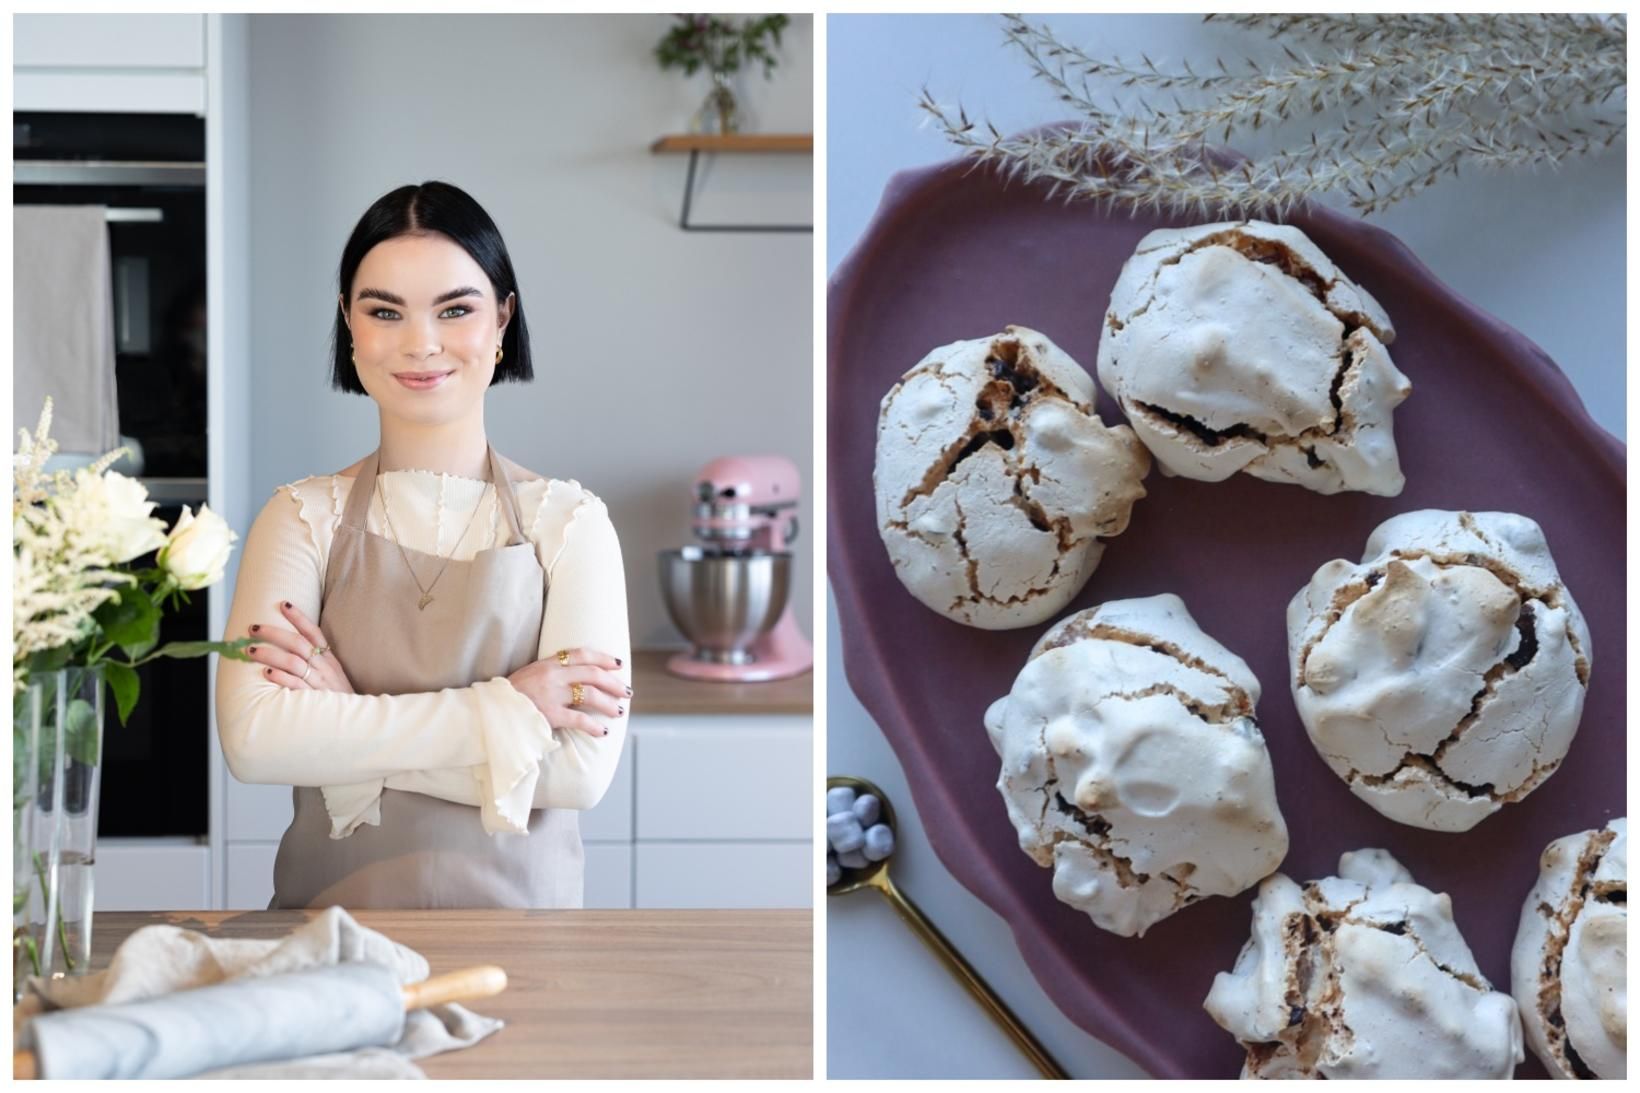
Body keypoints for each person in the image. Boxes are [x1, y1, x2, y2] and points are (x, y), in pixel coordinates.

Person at [215, 180, 630, 910]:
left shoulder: (570, 522)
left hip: (531, 952)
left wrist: (345, 719)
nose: (421, 342)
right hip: (325, 944)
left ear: (503, 318)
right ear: (349, 322)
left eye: (456, 309)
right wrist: (504, 713)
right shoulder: (299, 517)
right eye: (384, 311)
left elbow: (580, 775)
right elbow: (254, 741)